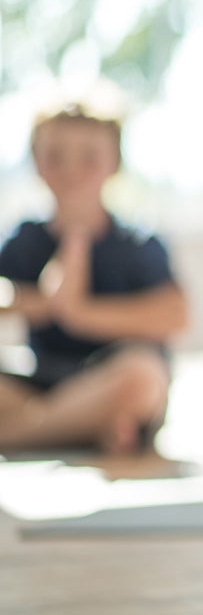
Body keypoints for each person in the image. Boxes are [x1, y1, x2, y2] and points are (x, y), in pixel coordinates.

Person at [0, 103, 188, 455]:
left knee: (143, 376)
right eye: (56, 156)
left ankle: (20, 434)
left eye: (89, 157)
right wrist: (38, 301)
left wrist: (78, 312)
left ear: (114, 163)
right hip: (45, 383)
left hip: (112, 379)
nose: (72, 170)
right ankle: (80, 427)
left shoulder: (138, 242)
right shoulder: (24, 238)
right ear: (37, 163)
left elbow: (176, 315)